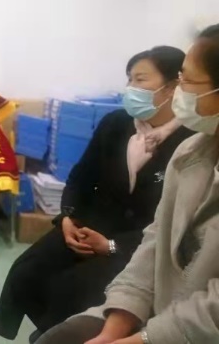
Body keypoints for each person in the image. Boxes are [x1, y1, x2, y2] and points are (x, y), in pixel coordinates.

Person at [0, 46, 195, 342]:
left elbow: (175, 225)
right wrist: (67, 218)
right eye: (129, 79)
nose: (130, 88)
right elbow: (80, 177)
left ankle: (52, 335)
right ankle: (48, 331)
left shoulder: (191, 142)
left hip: (138, 246)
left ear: (172, 86)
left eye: (140, 80)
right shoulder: (115, 124)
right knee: (27, 271)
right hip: (89, 228)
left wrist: (111, 245)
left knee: (72, 288)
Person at [36, 24, 219, 344]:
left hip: (188, 328)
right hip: (150, 300)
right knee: (46, 310)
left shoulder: (179, 141)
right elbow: (156, 241)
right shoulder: (190, 153)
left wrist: (141, 338)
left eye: (187, 81)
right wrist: (114, 329)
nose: (181, 91)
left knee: (73, 288)